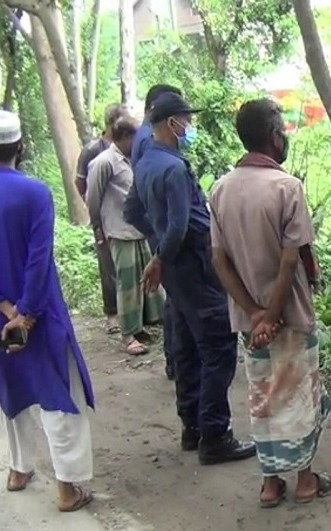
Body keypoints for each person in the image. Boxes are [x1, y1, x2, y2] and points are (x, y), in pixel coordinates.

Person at [0, 109, 95, 512]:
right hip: (41, 318)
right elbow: (38, 259)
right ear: (20, 146)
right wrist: (28, 314)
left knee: (11, 392)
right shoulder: (35, 193)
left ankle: (19, 469)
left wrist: (5, 309)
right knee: (59, 396)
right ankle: (68, 489)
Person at [210, 98, 331, 507]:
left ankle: (269, 483)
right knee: (298, 394)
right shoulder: (287, 188)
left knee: (263, 397)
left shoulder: (221, 189)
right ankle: (304, 479)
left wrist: (254, 314)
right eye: (282, 129)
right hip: (291, 315)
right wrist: (274, 314)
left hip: (250, 322)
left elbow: (219, 260)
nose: (285, 136)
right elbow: (290, 259)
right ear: (272, 136)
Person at [127, 92, 256, 465]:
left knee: (185, 345)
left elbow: (132, 210)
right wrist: (162, 253)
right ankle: (215, 434)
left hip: (176, 271)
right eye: (187, 120)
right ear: (172, 124)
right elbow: (181, 224)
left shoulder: (146, 163)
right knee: (217, 347)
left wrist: (157, 245)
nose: (190, 127)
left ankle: (192, 427)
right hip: (195, 264)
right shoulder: (173, 168)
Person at [86, 115, 163, 356]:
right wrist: (97, 226)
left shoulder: (131, 159)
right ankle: (127, 334)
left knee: (144, 281)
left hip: (139, 229)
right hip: (119, 230)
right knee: (127, 285)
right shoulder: (104, 162)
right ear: (125, 137)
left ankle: (140, 327)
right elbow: (93, 198)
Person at [129, 83, 184, 381]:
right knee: (178, 297)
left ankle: (176, 359)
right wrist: (162, 238)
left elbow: (132, 206)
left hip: (161, 231)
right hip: (169, 234)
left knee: (175, 296)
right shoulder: (153, 144)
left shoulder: (141, 139)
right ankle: (177, 360)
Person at [76, 103, 128, 335]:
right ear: (114, 124)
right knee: (108, 265)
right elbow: (81, 183)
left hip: (125, 217)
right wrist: (95, 213)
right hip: (104, 218)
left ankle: (134, 313)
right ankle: (112, 314)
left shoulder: (128, 147)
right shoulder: (93, 151)